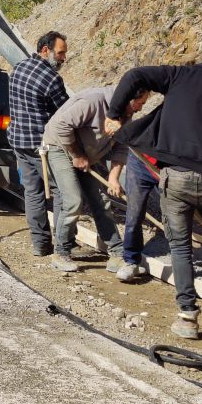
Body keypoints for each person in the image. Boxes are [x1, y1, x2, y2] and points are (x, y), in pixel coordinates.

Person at [106, 62, 202, 343]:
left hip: (176, 176)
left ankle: (188, 318)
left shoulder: (183, 75)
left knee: (180, 247)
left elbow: (135, 75)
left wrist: (114, 114)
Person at [42, 85, 148, 273]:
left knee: (101, 201)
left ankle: (116, 252)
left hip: (87, 153)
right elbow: (61, 126)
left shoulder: (125, 113)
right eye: (139, 103)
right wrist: (77, 155)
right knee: (73, 201)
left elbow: (121, 146)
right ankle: (60, 252)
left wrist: (114, 177)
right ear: (128, 98)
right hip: (60, 147)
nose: (140, 108)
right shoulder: (93, 102)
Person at [7, 31, 70, 257]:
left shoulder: (18, 68)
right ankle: (64, 244)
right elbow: (66, 113)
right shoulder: (52, 79)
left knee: (32, 193)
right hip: (41, 147)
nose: (63, 58)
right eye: (60, 53)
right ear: (45, 50)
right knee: (63, 191)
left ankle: (40, 244)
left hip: (18, 141)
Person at [116, 150, 167, 283]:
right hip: (140, 159)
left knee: (175, 217)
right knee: (134, 215)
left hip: (169, 163)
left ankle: (182, 262)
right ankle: (131, 261)